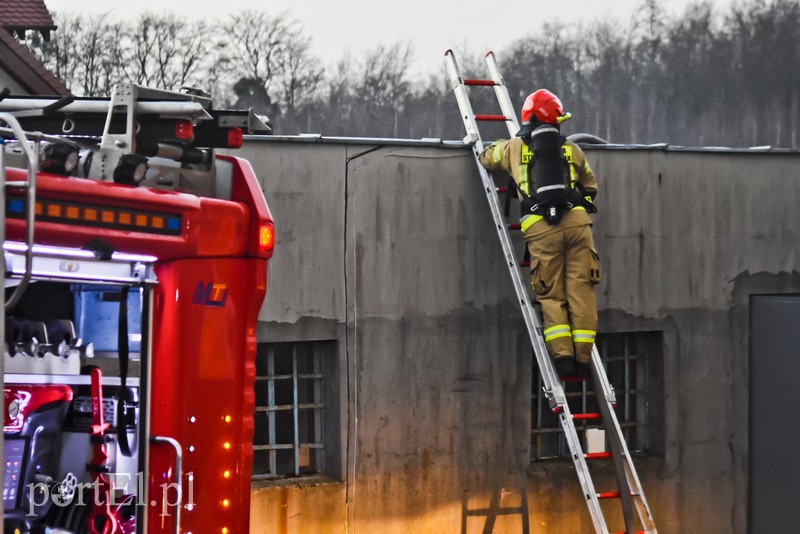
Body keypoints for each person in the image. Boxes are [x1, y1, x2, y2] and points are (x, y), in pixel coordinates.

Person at [479, 88, 600, 379]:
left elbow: (486, 158)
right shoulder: (572, 149)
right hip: (578, 225)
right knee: (581, 291)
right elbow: (590, 187)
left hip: (541, 228)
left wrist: (492, 147)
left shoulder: (512, 148)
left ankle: (563, 359)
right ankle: (583, 359)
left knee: (551, 294)